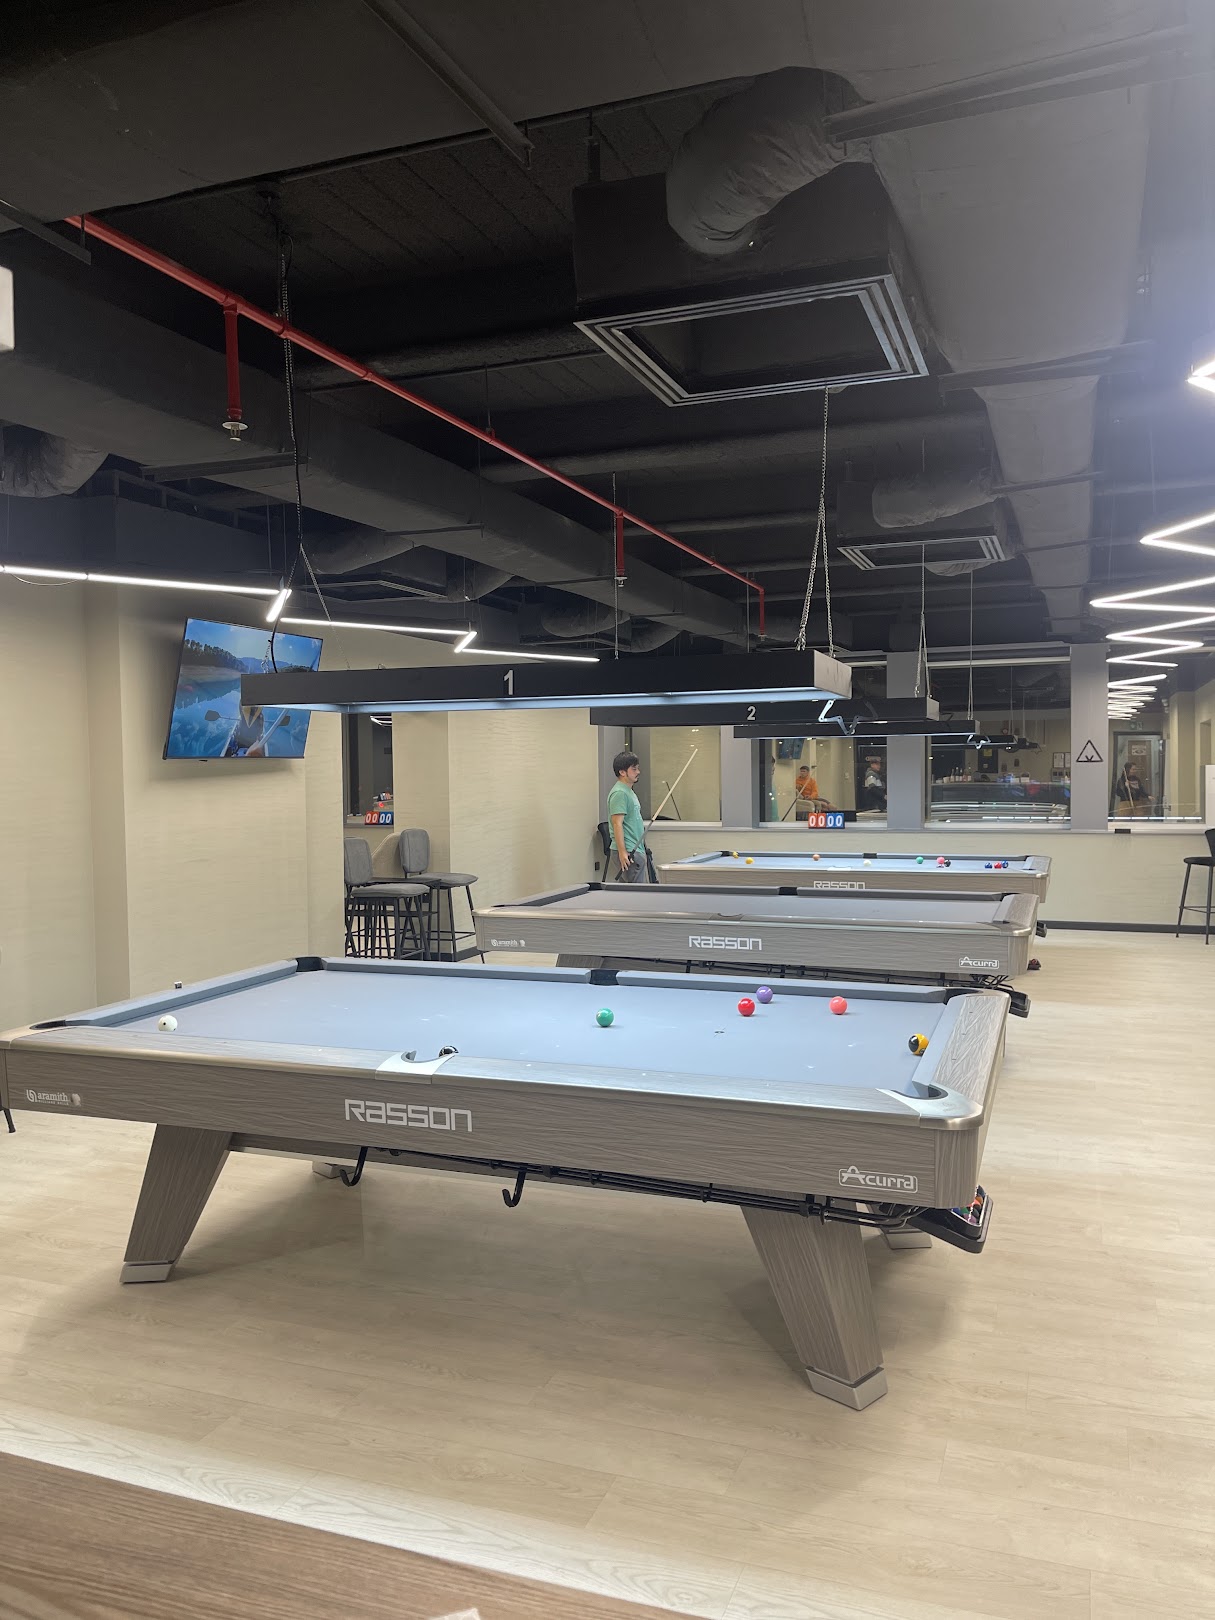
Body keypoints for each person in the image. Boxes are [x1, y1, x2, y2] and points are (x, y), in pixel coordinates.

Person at [607, 749, 650, 883]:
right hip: (628, 851)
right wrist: (622, 852)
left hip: (635, 849)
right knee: (635, 893)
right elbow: (617, 824)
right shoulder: (619, 793)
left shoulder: (629, 792)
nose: (638, 772)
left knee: (633, 892)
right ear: (622, 772)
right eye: (634, 769)